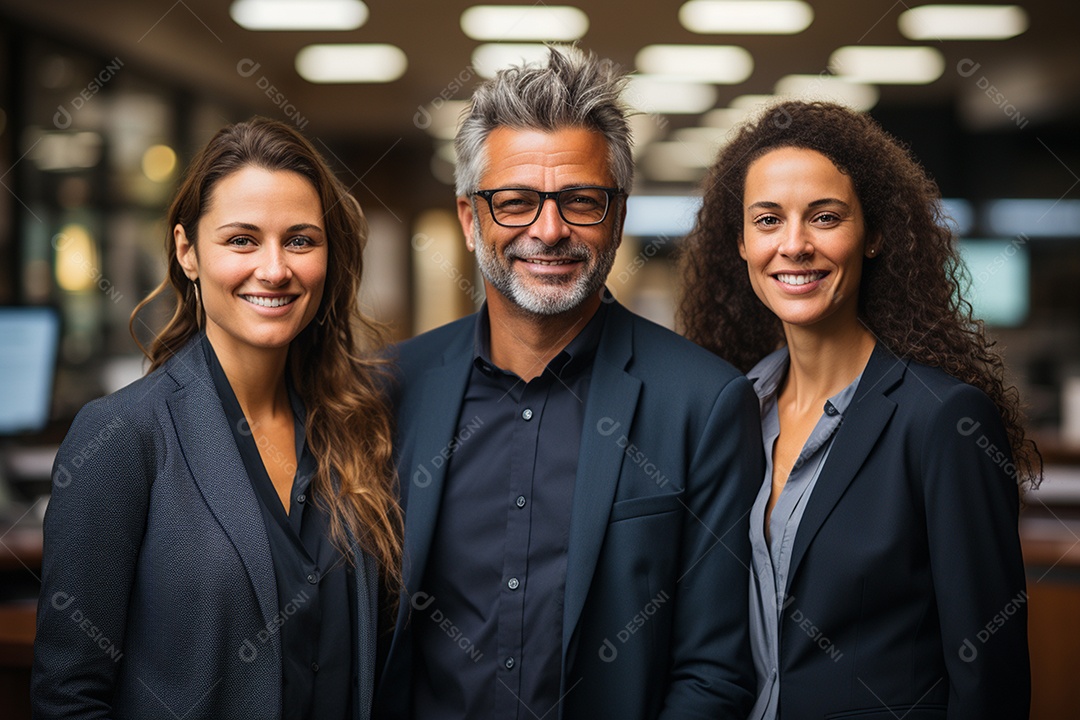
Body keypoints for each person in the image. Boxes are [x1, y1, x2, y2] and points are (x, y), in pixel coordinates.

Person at [376, 47, 761, 720]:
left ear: (618, 216)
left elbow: (714, 674)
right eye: (515, 202)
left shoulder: (704, 404)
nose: (549, 230)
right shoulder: (389, 389)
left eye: (581, 201)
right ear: (469, 219)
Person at [680, 100, 1040, 719]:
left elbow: (990, 683)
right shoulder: (731, 409)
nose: (794, 245)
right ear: (740, 242)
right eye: (768, 220)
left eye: (825, 217)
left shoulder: (944, 421)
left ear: (873, 234)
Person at [32, 117, 400, 720]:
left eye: (300, 240)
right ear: (188, 252)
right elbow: (68, 698)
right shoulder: (123, 436)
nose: (275, 269)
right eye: (242, 240)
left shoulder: (352, 425)